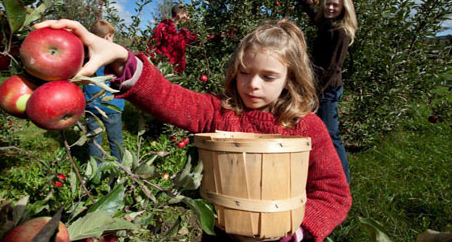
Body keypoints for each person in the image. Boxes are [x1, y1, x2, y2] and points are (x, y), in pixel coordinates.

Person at [33, 18, 352, 242]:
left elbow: (334, 194)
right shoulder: (221, 113)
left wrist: (299, 232)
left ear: (289, 78)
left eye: (268, 77)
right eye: (245, 72)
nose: (252, 84)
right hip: (221, 236)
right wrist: (120, 57)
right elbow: (167, 97)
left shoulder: (306, 127)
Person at [295, 0, 357, 184]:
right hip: (319, 86)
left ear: (343, 8)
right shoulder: (327, 25)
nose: (330, 7)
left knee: (331, 134)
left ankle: (342, 181)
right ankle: (319, 172)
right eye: (328, 3)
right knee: (317, 131)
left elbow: (333, 68)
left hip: (327, 89)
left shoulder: (341, 33)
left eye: (335, 5)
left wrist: (315, 92)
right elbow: (315, 16)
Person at [83, 20, 125, 162]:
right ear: (107, 37)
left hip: (91, 104)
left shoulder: (85, 54)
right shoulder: (114, 53)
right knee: (116, 141)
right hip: (112, 105)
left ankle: (95, 172)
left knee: (94, 140)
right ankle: (120, 171)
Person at [147, 3, 197, 73]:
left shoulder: (183, 31)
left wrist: (214, 36)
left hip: (178, 70)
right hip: (164, 71)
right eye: (187, 15)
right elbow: (151, 47)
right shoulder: (162, 27)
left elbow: (194, 39)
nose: (188, 18)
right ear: (179, 14)